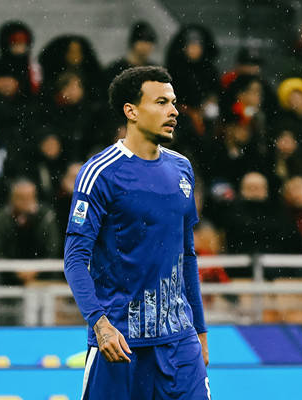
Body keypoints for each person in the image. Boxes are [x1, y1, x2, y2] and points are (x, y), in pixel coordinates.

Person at [64, 66, 209, 399]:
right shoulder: (99, 173)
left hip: (179, 342)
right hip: (119, 342)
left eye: (173, 102)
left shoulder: (182, 168)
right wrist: (100, 324)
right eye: (161, 102)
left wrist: (199, 330)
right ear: (131, 111)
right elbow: (74, 260)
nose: (173, 111)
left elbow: (187, 255)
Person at [0, 179, 61, 285]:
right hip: (8, 273)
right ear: (11, 199)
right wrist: (15, 270)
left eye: (29, 197)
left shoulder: (46, 217)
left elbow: (53, 250)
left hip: (42, 272)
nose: (26, 202)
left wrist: (35, 271)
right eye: (21, 198)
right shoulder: (1, 218)